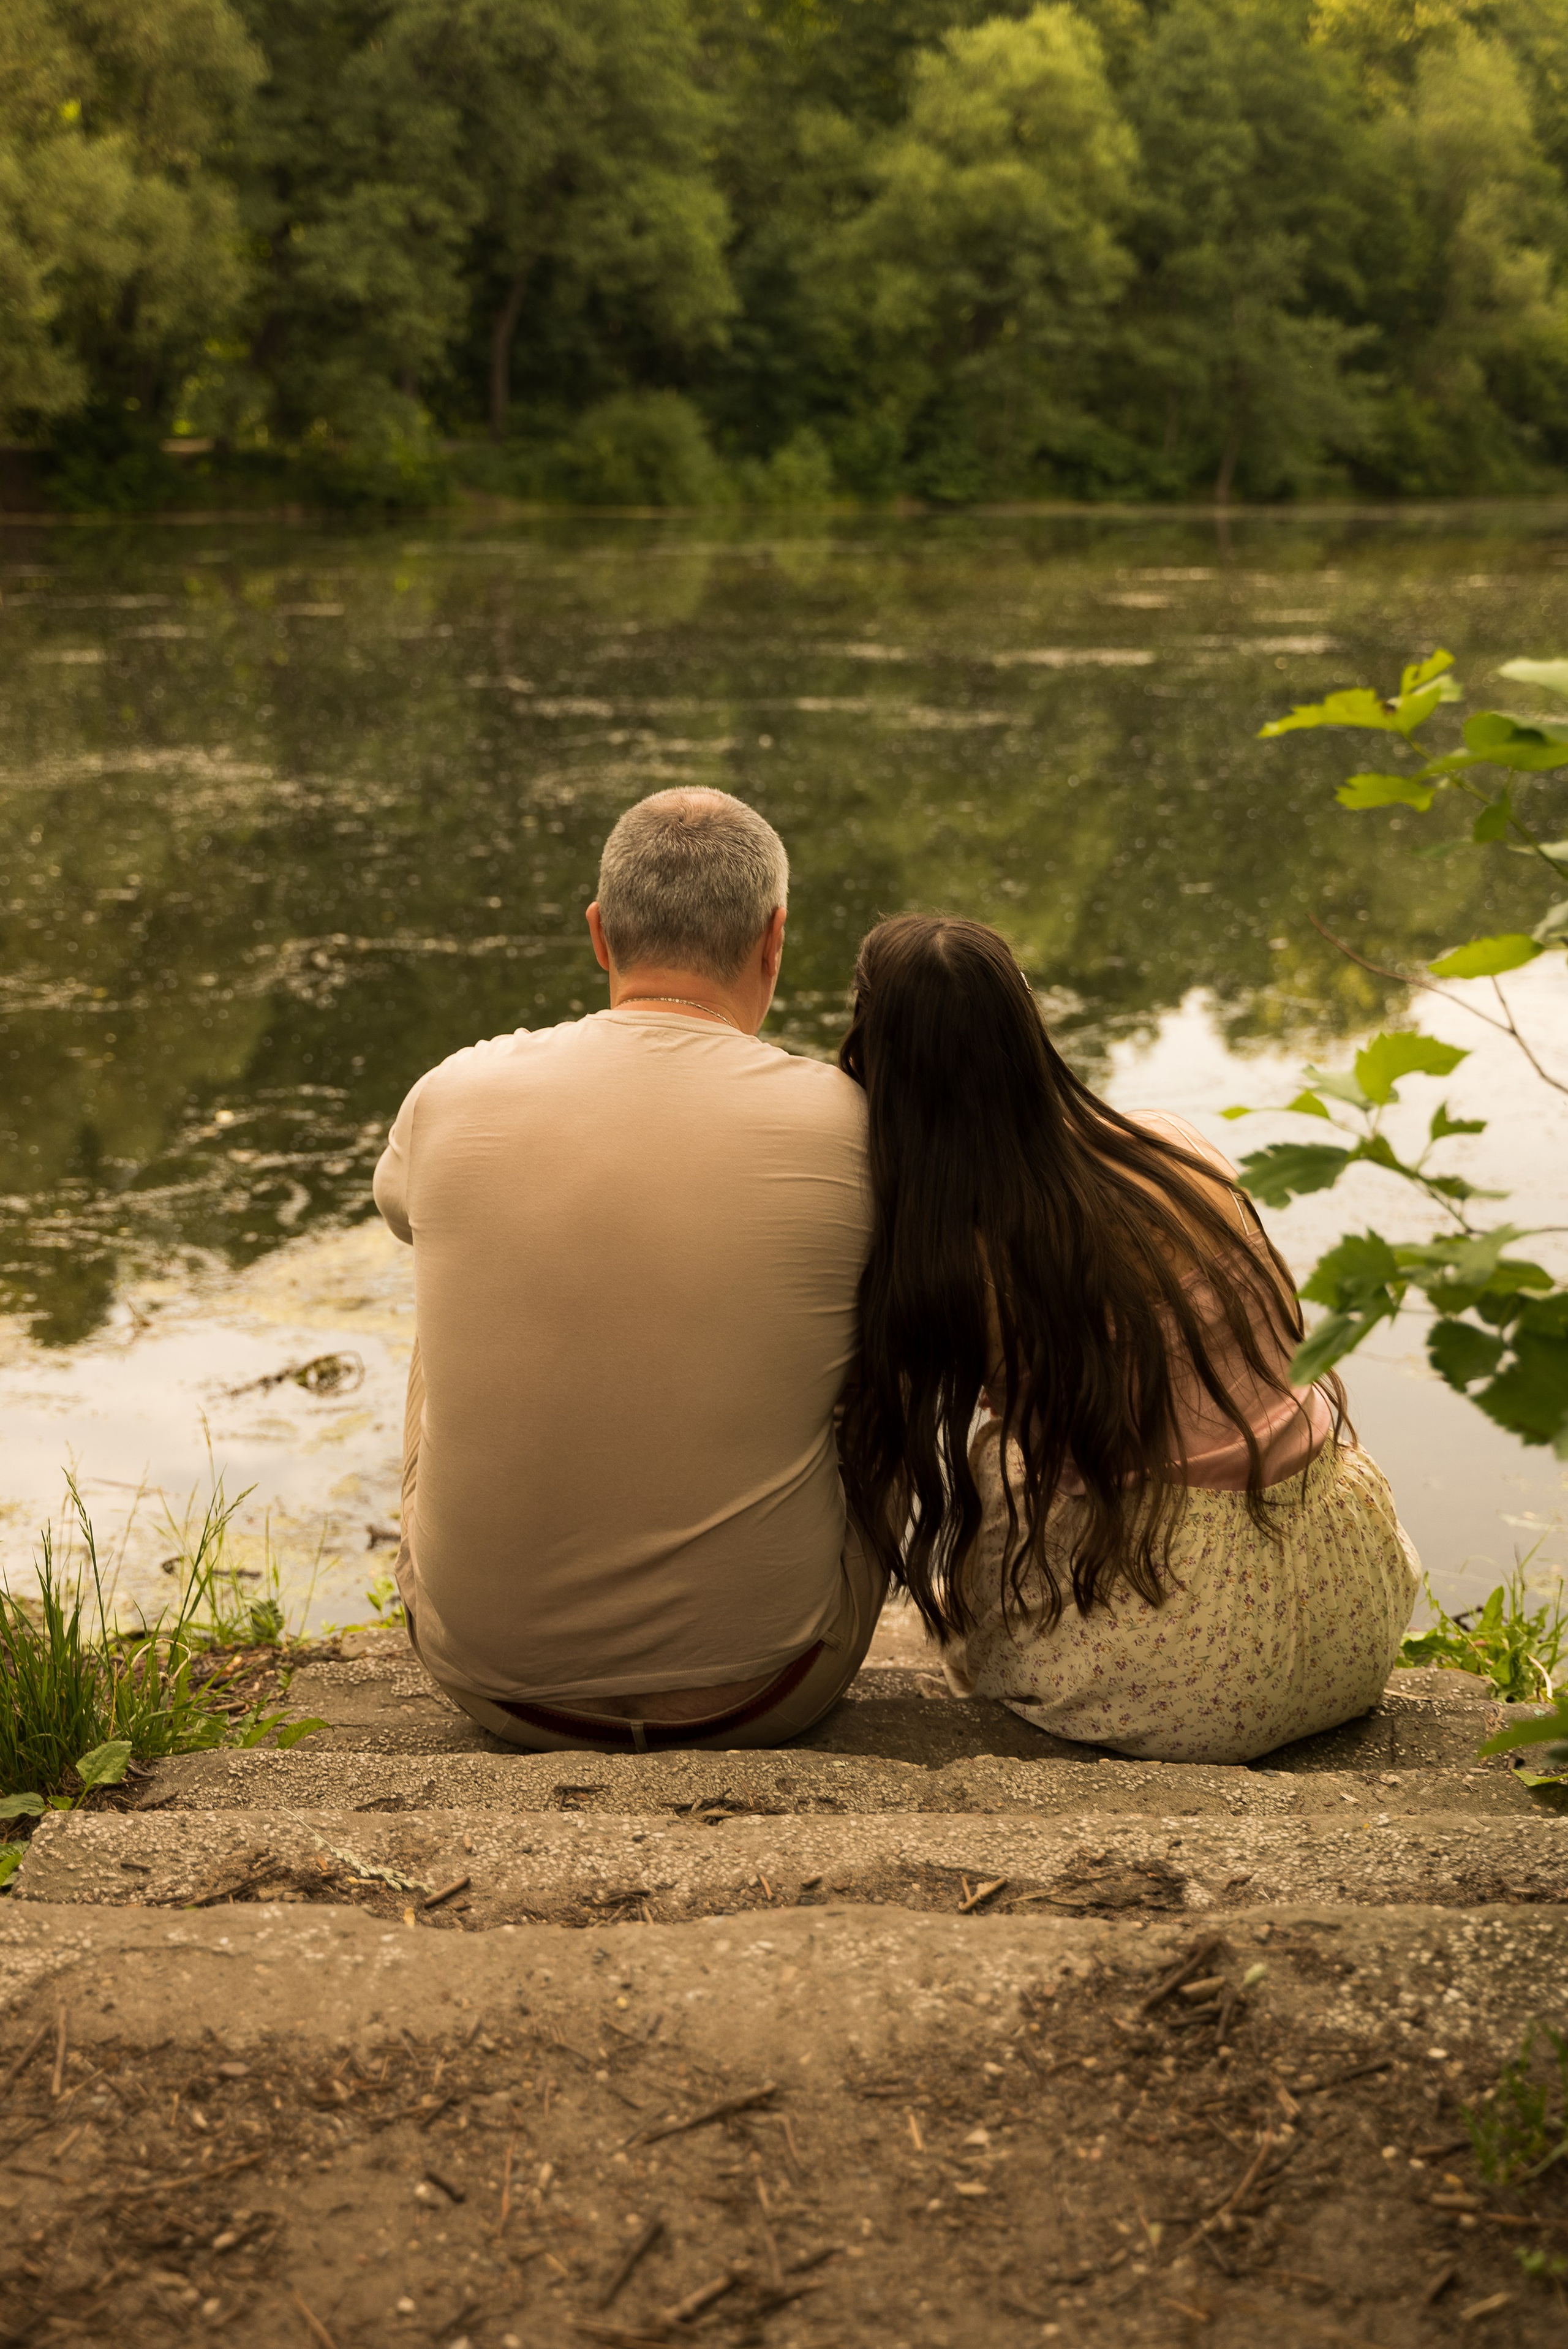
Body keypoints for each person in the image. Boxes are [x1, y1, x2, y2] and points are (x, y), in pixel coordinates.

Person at [834, 913, 1419, 1765]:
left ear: (879, 1061)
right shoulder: (1169, 1149)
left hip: (1193, 1671)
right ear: (1027, 1026)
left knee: (1005, 1456)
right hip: (1347, 1615)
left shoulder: (964, 1261)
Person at [372, 788, 881, 1752]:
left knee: (453, 1266)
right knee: (857, 1306)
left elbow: (399, 1215)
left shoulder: (453, 1092)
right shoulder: (846, 1122)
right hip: (772, 1686)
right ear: (774, 940)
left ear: (601, 936)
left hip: (494, 1685)